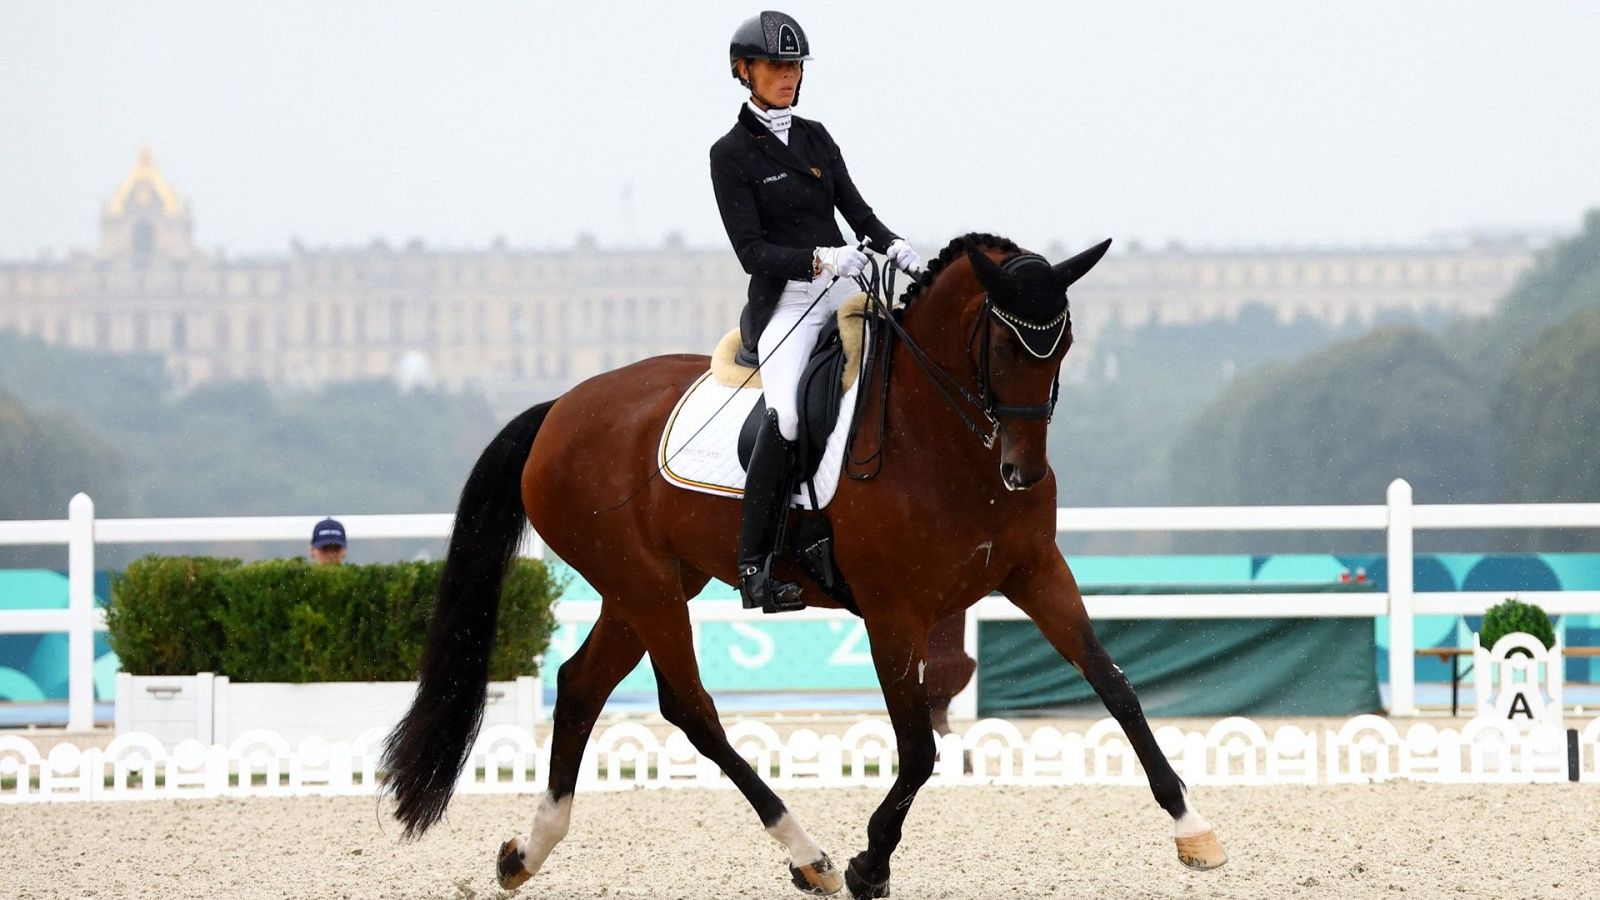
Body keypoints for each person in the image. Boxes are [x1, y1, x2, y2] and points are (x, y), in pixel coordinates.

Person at [711, 10, 921, 614]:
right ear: (744, 71)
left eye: (795, 65)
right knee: (788, 416)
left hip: (846, 286)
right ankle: (755, 566)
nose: (788, 75)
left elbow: (858, 212)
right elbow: (752, 251)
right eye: (776, 65)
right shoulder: (730, 155)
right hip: (790, 300)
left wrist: (899, 250)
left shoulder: (817, 137)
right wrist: (822, 260)